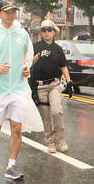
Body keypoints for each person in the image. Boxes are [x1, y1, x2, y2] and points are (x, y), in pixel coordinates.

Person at [0, 0, 35, 180]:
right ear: (0, 13)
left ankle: (11, 165)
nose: (11, 15)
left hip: (18, 89)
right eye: (7, 12)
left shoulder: (23, 35)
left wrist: (27, 69)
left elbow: (27, 57)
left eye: (13, 11)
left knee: (17, 128)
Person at [30, 19, 74, 153]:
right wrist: (37, 57)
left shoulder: (58, 49)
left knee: (56, 112)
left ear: (54, 32)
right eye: (44, 30)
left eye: (49, 30)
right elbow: (28, 63)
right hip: (40, 86)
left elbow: (63, 66)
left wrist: (69, 82)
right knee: (46, 117)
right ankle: (50, 142)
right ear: (41, 32)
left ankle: (61, 139)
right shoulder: (35, 47)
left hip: (54, 84)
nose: (46, 32)